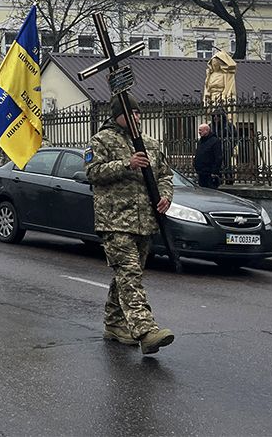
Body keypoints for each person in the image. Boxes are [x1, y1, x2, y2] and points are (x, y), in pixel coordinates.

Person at [85, 94, 176, 355]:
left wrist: (166, 197)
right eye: (130, 113)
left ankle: (114, 324)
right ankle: (146, 331)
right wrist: (127, 164)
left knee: (126, 276)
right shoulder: (101, 140)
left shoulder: (150, 143)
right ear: (117, 116)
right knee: (130, 274)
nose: (136, 117)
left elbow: (165, 176)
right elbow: (92, 172)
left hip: (145, 221)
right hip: (115, 221)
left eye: (138, 113)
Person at [193, 123, 223, 189]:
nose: (199, 132)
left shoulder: (214, 141)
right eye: (199, 130)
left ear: (206, 130)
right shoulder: (200, 141)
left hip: (210, 174)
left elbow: (218, 157)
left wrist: (214, 171)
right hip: (201, 173)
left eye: (200, 130)